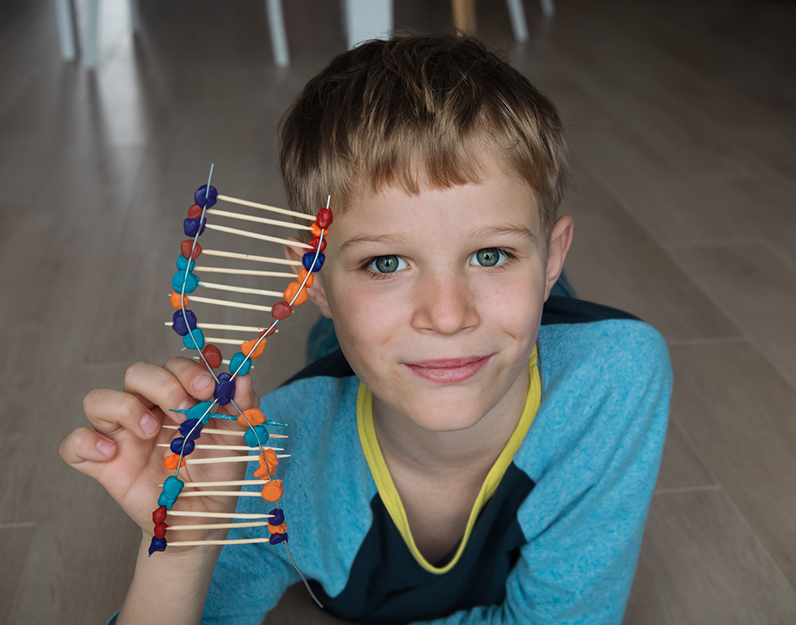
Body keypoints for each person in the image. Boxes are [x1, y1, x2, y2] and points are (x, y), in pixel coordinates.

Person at [60, 34, 672, 625]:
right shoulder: (273, 463)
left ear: (555, 254)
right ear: (313, 279)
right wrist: (182, 553)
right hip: (350, 363)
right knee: (354, 347)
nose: (448, 312)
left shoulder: (615, 377)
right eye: (385, 262)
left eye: (490, 254)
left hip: (518, 329)